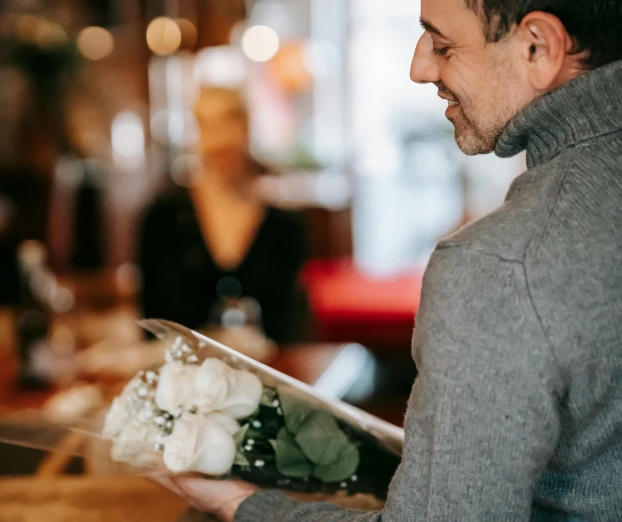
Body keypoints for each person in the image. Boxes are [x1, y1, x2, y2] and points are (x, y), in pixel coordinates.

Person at [151, 0, 622, 520]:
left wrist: (239, 504)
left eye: (443, 45)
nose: (419, 69)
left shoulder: (498, 265)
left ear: (538, 46)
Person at [138, 86, 309, 346]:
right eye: (207, 125)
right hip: (184, 377)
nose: (219, 139)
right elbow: (151, 324)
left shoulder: (283, 224)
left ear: (246, 126)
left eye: (229, 121)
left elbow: (293, 326)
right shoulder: (162, 218)